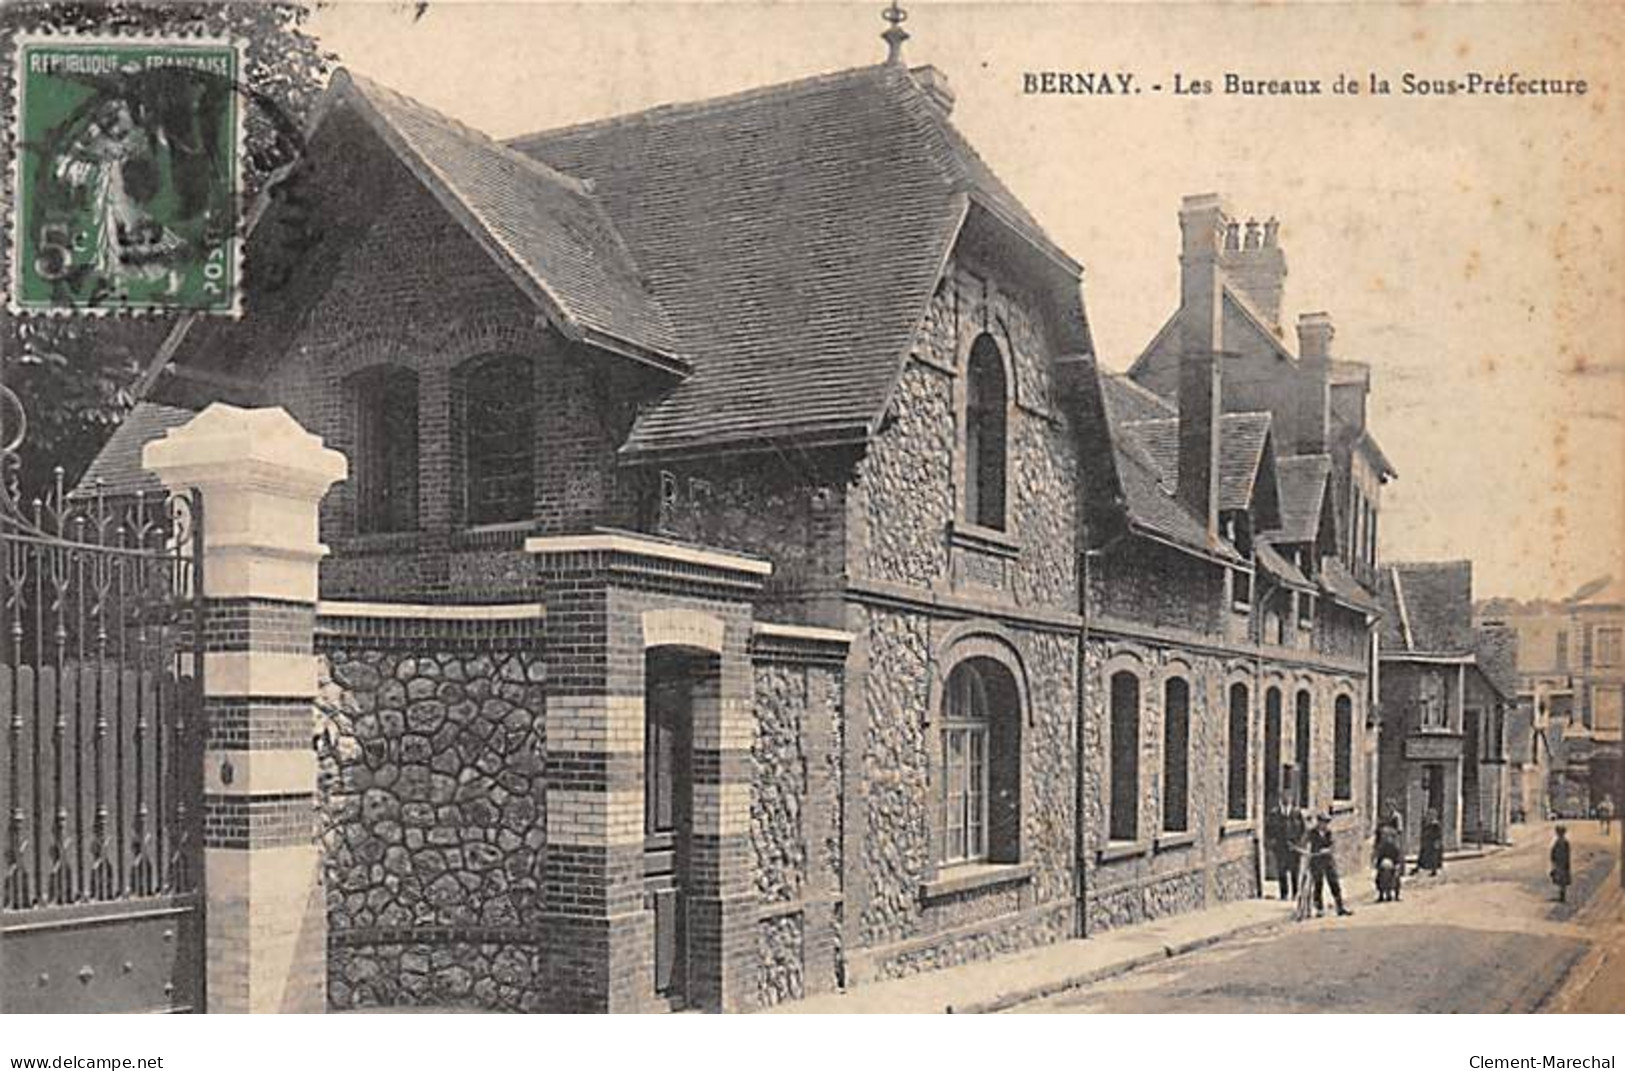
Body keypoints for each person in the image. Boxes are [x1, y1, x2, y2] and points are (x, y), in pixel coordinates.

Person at [1307, 812, 1354, 917]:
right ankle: (1319, 908)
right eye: (1323, 822)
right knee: (1318, 884)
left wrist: (1328, 850)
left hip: (1328, 860)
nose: (1324, 825)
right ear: (1318, 822)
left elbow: (1333, 845)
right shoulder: (1312, 833)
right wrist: (1315, 852)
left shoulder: (1329, 833)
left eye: (1326, 823)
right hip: (1316, 861)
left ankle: (1340, 907)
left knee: (1334, 883)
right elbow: (1308, 845)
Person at [1266, 799, 1304, 900]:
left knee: (1294, 871)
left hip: (1293, 847)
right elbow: (1268, 829)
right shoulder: (1274, 814)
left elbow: (1303, 830)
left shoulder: (1297, 813)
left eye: (1289, 797)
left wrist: (1298, 844)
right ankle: (1284, 893)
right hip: (1280, 847)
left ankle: (1295, 893)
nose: (1286, 800)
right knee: (1281, 871)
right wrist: (1272, 843)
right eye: (1284, 797)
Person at [1373, 816, 1405, 902]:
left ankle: (1394, 894)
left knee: (1395, 877)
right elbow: (1379, 855)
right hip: (1384, 865)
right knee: (1380, 876)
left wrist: (1398, 864)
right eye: (1385, 835)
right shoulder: (1382, 846)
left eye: (1388, 836)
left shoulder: (1395, 846)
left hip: (1393, 864)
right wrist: (1377, 863)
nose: (1387, 837)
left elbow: (1398, 855)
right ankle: (1382, 894)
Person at [1416, 809, 1444, 877]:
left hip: (1433, 842)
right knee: (1425, 855)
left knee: (1434, 857)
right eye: (1429, 814)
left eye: (1431, 815)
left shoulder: (1436, 824)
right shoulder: (1428, 823)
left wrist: (1437, 843)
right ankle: (1420, 867)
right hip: (1428, 842)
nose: (1429, 816)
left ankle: (1434, 870)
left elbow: (1439, 834)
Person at [1550, 824, 1572, 903]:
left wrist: (1554, 860)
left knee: (1561, 880)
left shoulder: (1562, 842)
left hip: (1561, 863)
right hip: (1561, 863)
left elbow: (1554, 852)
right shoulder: (1563, 842)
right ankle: (1562, 895)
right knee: (1561, 880)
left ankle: (1562, 895)